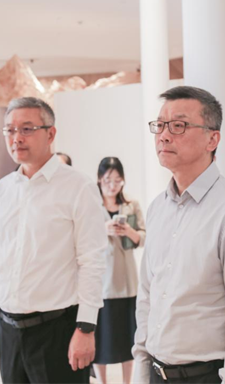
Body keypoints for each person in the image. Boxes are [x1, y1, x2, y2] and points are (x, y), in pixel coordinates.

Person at [133, 86, 225, 384]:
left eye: (178, 125)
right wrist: (141, 372)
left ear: (212, 139)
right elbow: (147, 297)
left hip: (207, 375)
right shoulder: (158, 207)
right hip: (156, 372)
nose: (164, 135)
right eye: (160, 125)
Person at [0, 97, 107, 384]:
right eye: (10, 130)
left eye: (27, 129)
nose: (16, 138)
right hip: (7, 329)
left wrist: (86, 328)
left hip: (57, 329)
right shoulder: (2, 191)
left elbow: (92, 261)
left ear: (50, 134)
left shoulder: (78, 186)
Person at [93, 157, 146, 384]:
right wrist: (103, 229)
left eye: (117, 180)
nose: (112, 185)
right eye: (108, 180)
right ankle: (103, 381)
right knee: (101, 339)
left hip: (126, 281)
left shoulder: (131, 204)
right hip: (101, 283)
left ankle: (127, 381)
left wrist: (129, 232)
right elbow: (81, 237)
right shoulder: (92, 205)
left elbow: (144, 237)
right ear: (99, 180)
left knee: (127, 339)